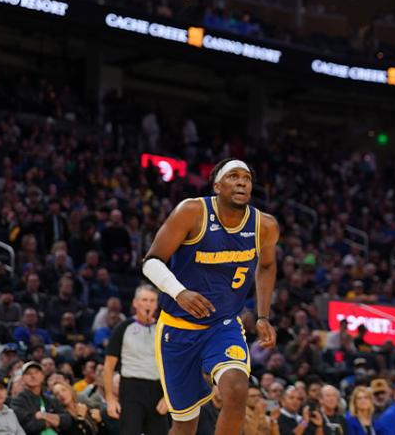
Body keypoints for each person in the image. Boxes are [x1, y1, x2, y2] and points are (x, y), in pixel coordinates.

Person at [143, 158, 280, 435]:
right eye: (234, 176)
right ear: (217, 185)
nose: (242, 181)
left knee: (238, 389)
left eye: (247, 177)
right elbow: (151, 262)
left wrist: (263, 315)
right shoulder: (192, 211)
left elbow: (266, 265)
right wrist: (179, 292)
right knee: (184, 424)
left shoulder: (264, 225)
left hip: (223, 325)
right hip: (177, 329)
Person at [104, 285, 166, 435]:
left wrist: (167, 397)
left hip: (158, 389)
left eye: (152, 300)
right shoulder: (123, 328)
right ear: (135, 303)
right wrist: (110, 400)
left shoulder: (163, 329)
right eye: (144, 300)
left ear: (157, 304)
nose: (148, 304)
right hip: (131, 388)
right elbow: (108, 367)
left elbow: (174, 366)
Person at [11, 361, 71, 434]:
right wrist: (54, 421)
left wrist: (44, 415)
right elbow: (30, 427)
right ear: (23, 379)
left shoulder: (50, 400)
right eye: (28, 373)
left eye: (36, 372)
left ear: (42, 376)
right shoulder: (18, 401)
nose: (33, 376)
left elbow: (67, 421)